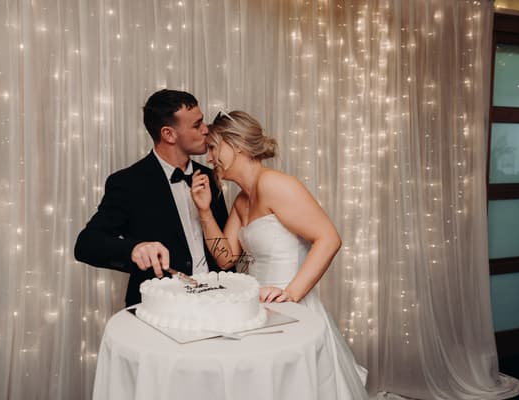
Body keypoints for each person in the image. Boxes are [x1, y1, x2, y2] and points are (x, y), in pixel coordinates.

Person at [190, 110, 368, 398]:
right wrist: (205, 211)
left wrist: (292, 295)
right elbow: (226, 258)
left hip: (290, 311)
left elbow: (329, 238)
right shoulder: (242, 198)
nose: (209, 158)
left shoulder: (276, 184)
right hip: (257, 311)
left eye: (213, 147)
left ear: (235, 145)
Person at [74, 89, 229, 307]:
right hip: (160, 306)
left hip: (217, 302)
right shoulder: (127, 182)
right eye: (197, 125)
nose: (206, 130)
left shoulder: (211, 176)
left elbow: (226, 249)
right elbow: (86, 245)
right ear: (168, 134)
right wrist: (134, 248)